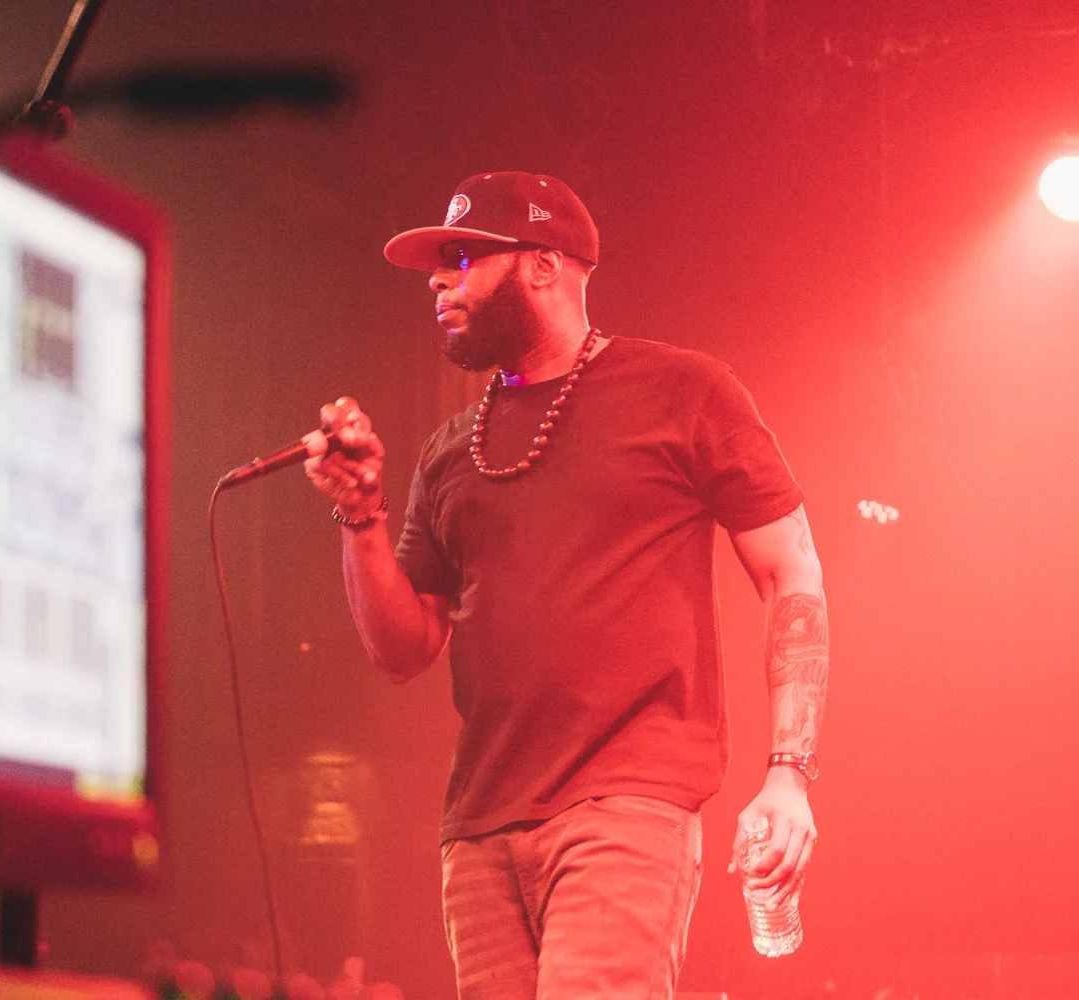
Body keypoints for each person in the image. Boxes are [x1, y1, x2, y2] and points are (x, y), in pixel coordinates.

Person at [304, 171, 828, 1000]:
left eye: (464, 259)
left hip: (628, 801)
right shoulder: (449, 451)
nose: (438, 281)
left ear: (544, 264)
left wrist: (789, 771)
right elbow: (403, 650)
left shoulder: (684, 391)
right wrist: (361, 515)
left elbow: (790, 572)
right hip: (480, 826)